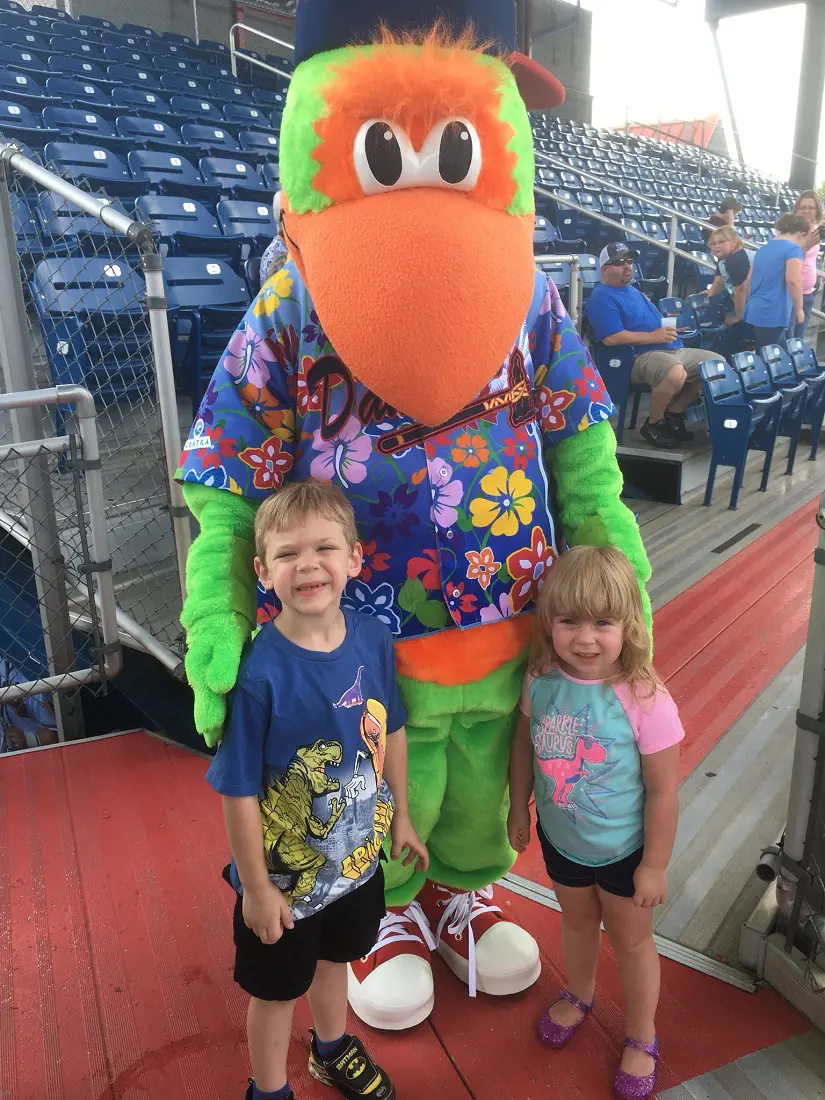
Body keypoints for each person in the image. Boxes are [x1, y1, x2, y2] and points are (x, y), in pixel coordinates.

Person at [179, 0, 652, 1034]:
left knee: (485, 778)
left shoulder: (530, 294)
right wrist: (219, 615)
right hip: (353, 633)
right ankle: (386, 909)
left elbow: (580, 447)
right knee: (371, 769)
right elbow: (228, 473)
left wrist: (617, 570)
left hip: (505, 618)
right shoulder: (293, 301)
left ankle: (463, 890)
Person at [206, 479, 428, 1100]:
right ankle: (269, 1089)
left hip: (357, 866)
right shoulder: (259, 675)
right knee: (276, 993)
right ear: (262, 571)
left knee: (338, 964)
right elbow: (239, 790)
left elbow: (394, 729)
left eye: (325, 548)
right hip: (284, 885)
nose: (307, 565)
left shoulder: (373, 640)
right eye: (287, 554)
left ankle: (331, 1050)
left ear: (355, 558)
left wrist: (402, 816)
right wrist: (255, 889)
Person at [508, 545, 683, 1100]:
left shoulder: (644, 698)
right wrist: (518, 806)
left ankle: (642, 1034)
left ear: (628, 625)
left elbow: (663, 789)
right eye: (570, 622)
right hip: (563, 841)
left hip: (625, 852)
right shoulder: (540, 679)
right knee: (577, 924)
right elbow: (523, 746)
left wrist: (654, 865)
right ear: (549, 624)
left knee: (632, 944)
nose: (586, 638)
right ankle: (580, 994)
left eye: (603, 622)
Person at [586, 241, 725, 449]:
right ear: (604, 269)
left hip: (668, 347)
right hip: (633, 357)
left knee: (716, 365)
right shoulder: (602, 297)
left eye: (629, 261)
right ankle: (654, 423)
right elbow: (612, 338)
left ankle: (674, 413)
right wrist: (654, 336)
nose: (627, 266)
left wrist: (667, 332)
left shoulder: (632, 290)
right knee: (675, 371)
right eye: (619, 263)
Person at [744, 213, 809, 349]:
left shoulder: (764, 248)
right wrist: (799, 309)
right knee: (769, 358)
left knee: (776, 353)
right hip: (773, 312)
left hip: (756, 308)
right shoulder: (793, 249)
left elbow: (749, 280)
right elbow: (793, 280)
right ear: (802, 234)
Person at [791, 191, 823, 340]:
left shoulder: (815, 228)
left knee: (799, 339)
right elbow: (788, 259)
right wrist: (806, 245)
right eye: (803, 207)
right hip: (791, 293)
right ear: (797, 209)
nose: (807, 211)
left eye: (811, 207)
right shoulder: (790, 230)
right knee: (788, 339)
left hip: (809, 293)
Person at [704, 226, 750, 321]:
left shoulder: (736, 259)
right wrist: (710, 292)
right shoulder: (724, 257)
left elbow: (741, 290)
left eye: (721, 242)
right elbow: (719, 282)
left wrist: (738, 317)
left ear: (734, 242)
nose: (716, 246)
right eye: (713, 244)